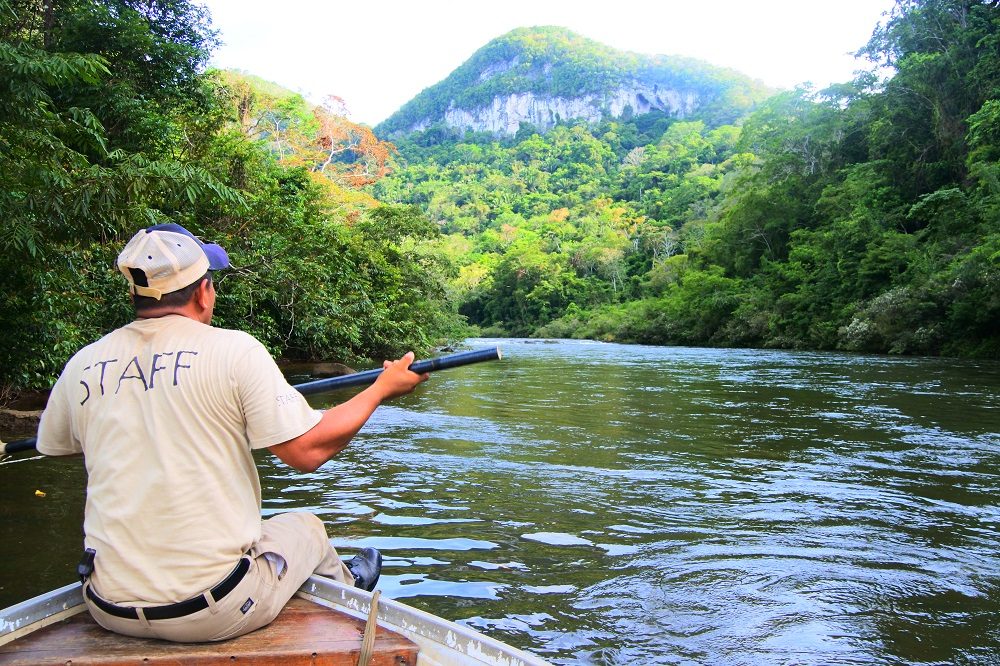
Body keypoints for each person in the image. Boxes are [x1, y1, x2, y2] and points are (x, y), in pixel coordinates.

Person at [36, 223, 428, 642]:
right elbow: (307, 451)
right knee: (307, 526)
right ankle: (349, 586)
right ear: (204, 291)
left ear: (134, 293)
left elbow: (59, 446)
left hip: (106, 606)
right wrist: (381, 389)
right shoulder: (234, 350)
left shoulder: (84, 363)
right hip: (212, 610)